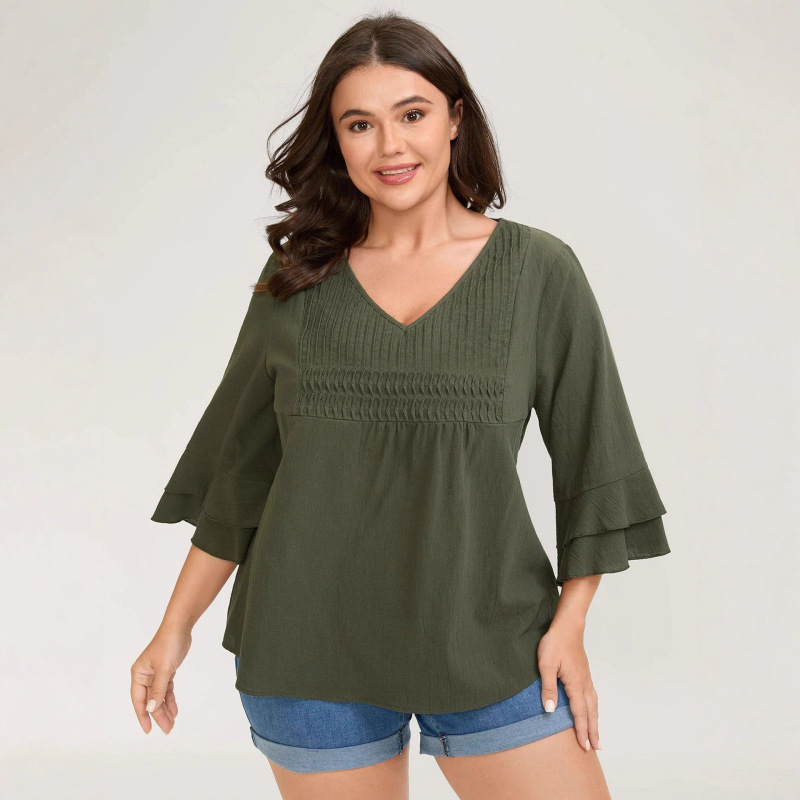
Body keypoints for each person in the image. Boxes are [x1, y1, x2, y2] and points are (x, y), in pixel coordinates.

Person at [130, 11, 670, 800]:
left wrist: (570, 623)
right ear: (337, 141)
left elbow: (596, 458)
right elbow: (241, 482)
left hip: (491, 640)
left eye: (411, 114)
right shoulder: (296, 280)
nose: (390, 146)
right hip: (307, 649)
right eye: (360, 124)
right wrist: (172, 629)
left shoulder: (538, 272)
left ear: (455, 118)